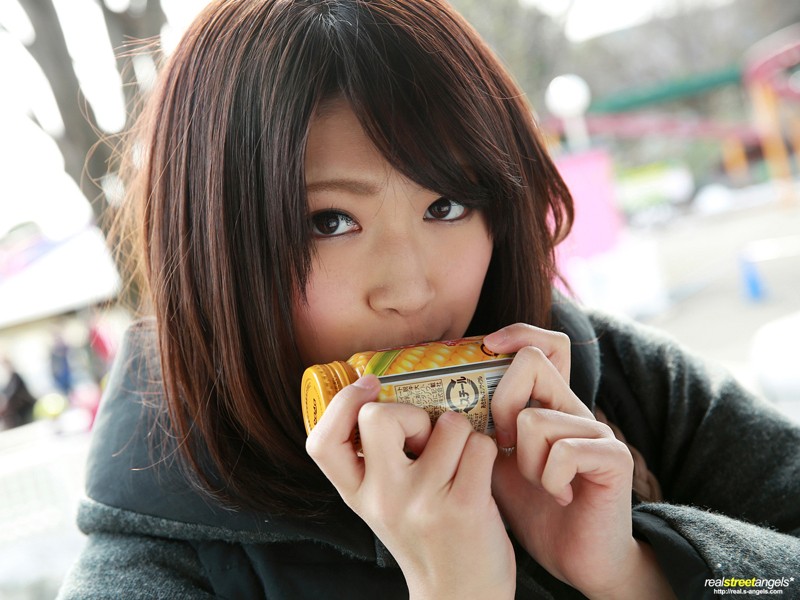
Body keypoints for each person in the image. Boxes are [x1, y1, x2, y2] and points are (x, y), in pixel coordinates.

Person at [58, 1, 800, 598]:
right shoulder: (152, 569)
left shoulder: (627, 385)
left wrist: (636, 573)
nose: (411, 290)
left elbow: (770, 581)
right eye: (329, 222)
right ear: (213, 247)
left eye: (446, 205)